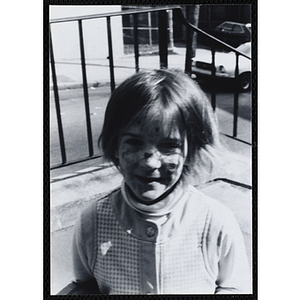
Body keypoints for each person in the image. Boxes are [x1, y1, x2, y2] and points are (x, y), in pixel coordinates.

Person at [71, 69, 251, 295]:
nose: (151, 163)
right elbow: (84, 287)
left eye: (169, 146)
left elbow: (235, 287)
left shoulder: (215, 222)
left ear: (191, 150)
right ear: (114, 146)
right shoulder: (92, 223)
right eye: (135, 143)